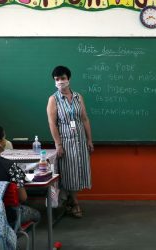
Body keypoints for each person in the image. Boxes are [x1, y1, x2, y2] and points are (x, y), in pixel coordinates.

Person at [47, 65, 93, 218]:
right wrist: (58, 144)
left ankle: (70, 202)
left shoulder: (78, 97)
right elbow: (52, 123)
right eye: (57, 79)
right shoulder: (53, 99)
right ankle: (75, 203)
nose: (60, 81)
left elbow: (85, 119)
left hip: (80, 141)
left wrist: (89, 140)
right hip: (65, 142)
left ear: (69, 79)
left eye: (63, 78)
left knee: (79, 172)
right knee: (69, 174)